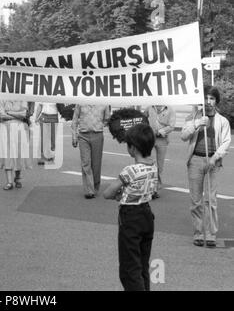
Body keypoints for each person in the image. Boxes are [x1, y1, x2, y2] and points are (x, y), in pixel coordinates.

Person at [103, 123, 158, 291]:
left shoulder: (130, 170)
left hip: (131, 218)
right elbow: (145, 189)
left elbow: (108, 193)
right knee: (142, 264)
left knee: (129, 268)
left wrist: (119, 194)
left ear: (133, 148)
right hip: (147, 215)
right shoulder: (153, 167)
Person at [180, 85, 231, 248]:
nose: (208, 102)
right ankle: (198, 233)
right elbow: (183, 135)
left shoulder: (222, 121)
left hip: (213, 163)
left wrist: (214, 158)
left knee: (211, 200)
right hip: (195, 161)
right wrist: (197, 123)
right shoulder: (193, 117)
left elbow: (226, 142)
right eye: (206, 98)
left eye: (212, 98)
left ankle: (210, 233)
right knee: (196, 201)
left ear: (216, 101)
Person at [71, 104, 111, 199]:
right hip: (83, 136)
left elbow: (107, 119)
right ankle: (89, 190)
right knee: (85, 163)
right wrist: (74, 136)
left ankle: (95, 186)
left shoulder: (104, 103)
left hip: (97, 134)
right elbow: (75, 120)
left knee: (96, 164)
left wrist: (99, 124)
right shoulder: (80, 102)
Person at [144, 105, 176, 199]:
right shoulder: (149, 107)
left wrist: (159, 132)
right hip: (150, 139)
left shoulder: (170, 109)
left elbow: (171, 126)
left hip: (162, 140)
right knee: (150, 163)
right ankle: (149, 188)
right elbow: (143, 118)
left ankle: (156, 188)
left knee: (160, 166)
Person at [0, 100, 32, 190]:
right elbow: (2, 115)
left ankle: (17, 178)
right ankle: (9, 182)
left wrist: (9, 112)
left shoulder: (22, 98)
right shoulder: (3, 99)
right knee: (7, 154)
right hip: (5, 129)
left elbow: (24, 114)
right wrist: (16, 114)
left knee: (18, 154)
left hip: (19, 129)